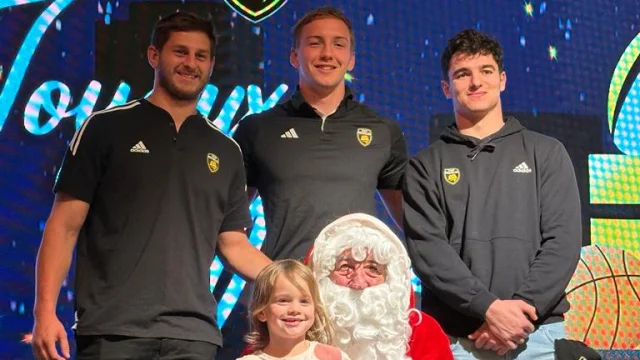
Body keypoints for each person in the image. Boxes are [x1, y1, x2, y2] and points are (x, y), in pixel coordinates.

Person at [31, 11, 271, 360]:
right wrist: (44, 313)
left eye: (200, 56)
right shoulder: (104, 128)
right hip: (112, 331)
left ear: (211, 64)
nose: (191, 63)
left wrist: (288, 278)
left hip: (194, 336)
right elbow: (63, 227)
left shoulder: (226, 150)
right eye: (180, 52)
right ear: (154, 56)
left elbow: (233, 243)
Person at [403, 28, 582, 359]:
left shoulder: (546, 153)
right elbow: (429, 253)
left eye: (485, 71)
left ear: (502, 80)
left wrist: (519, 314)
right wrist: (488, 308)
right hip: (456, 339)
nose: (475, 82)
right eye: (462, 74)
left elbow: (564, 242)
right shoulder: (424, 166)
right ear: (446, 87)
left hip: (537, 335)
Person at [232, 6, 408, 262]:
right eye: (315, 43)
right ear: (294, 56)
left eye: (338, 44)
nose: (327, 54)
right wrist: (268, 278)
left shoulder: (383, 131)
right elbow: (228, 228)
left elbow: (415, 226)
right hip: (287, 295)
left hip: (358, 294)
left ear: (351, 59)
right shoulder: (257, 129)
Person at [308, 213, 453, 360]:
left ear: (391, 277)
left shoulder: (422, 331)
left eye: (373, 269)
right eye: (345, 267)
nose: (359, 283)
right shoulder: (300, 329)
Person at [237, 259, 351, 360]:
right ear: (262, 312)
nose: (295, 309)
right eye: (283, 301)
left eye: (304, 301)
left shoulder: (333, 357)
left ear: (315, 309)